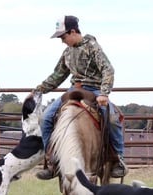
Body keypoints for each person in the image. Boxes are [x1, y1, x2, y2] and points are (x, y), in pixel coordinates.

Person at [31, 15, 128, 180]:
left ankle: (118, 159)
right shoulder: (67, 52)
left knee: (112, 118)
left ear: (73, 31)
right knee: (46, 118)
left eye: (63, 36)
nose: (62, 40)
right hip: (74, 89)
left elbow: (108, 70)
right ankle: (52, 160)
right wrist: (38, 90)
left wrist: (104, 93)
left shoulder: (93, 47)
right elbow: (58, 75)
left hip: (96, 90)